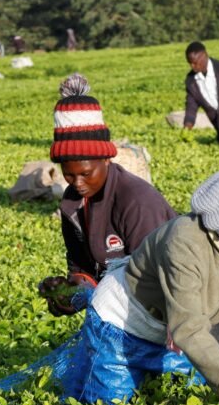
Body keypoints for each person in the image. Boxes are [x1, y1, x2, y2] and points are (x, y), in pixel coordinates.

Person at [56, 166, 219, 405]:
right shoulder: (184, 242)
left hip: (168, 329)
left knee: (182, 398)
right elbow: (188, 327)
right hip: (123, 323)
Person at [38, 73, 176, 316]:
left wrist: (104, 300)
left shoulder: (137, 201)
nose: (77, 183)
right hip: (118, 307)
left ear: (106, 159)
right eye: (69, 175)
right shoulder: (72, 203)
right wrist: (68, 294)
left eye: (86, 173)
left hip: (160, 311)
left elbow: (155, 281)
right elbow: (81, 267)